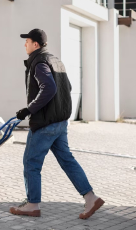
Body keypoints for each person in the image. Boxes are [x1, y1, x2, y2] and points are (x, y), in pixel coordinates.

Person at [9, 28, 104, 219]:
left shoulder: (39, 63)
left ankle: (32, 204)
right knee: (67, 161)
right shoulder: (55, 60)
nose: (24, 44)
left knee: (31, 163)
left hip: (45, 124)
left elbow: (49, 87)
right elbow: (67, 87)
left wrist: (30, 109)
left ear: (35, 44)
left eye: (27, 41)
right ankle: (90, 198)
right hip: (60, 122)